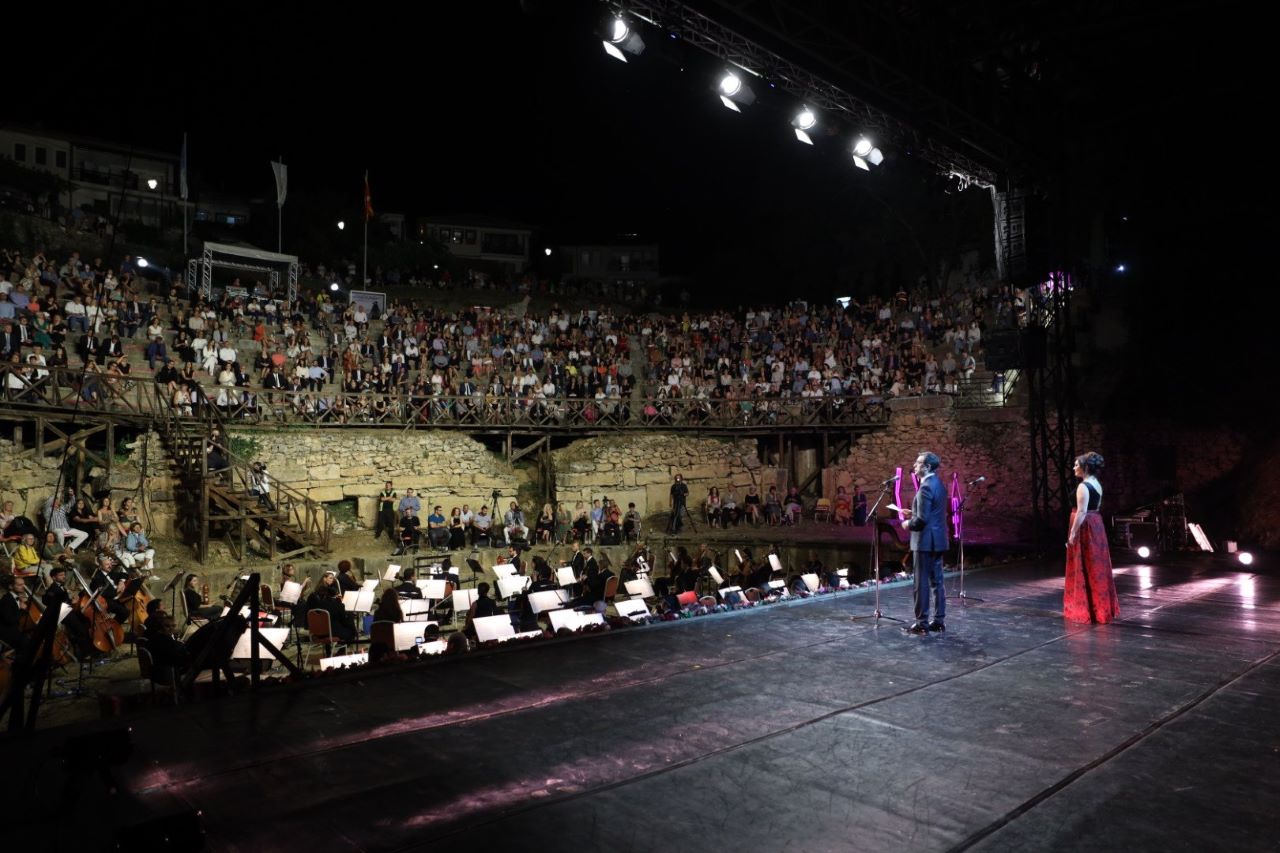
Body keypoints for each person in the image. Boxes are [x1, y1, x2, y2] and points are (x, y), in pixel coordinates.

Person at [1064, 451, 1120, 624]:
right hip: (1095, 524)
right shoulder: (1096, 483)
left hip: (1085, 526)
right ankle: (1099, 608)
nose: (1074, 468)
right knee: (1095, 565)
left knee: (1085, 564)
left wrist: (1072, 534)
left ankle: (1086, 609)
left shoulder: (1084, 486)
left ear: (1085, 467)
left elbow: (1082, 511)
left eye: (1076, 465)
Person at [901, 451, 949, 634]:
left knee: (921, 583)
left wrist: (907, 523)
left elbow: (921, 521)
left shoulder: (925, 487)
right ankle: (939, 621)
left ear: (927, 467)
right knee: (937, 582)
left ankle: (921, 623)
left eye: (918, 462)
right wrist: (912, 512)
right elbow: (933, 514)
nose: (914, 465)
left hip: (925, 543)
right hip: (937, 540)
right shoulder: (938, 484)